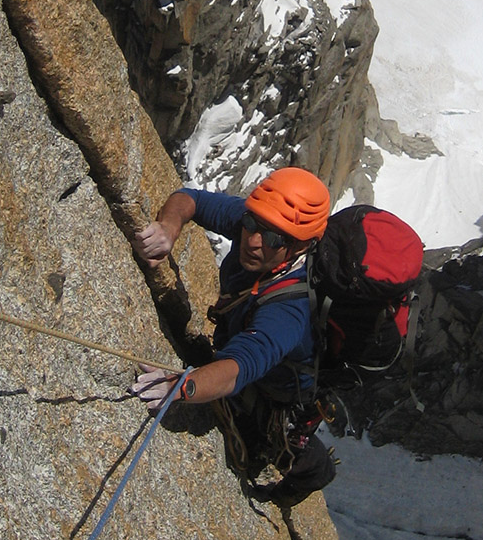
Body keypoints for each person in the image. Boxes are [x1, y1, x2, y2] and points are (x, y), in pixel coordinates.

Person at [128, 166, 337, 507]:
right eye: (253, 224)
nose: (253, 242)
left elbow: (237, 369)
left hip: (277, 389)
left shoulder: (289, 311)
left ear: (300, 247)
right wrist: (168, 227)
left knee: (266, 449)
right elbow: (190, 198)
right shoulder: (255, 224)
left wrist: (180, 387)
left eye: (272, 238)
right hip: (241, 343)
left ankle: (314, 470)